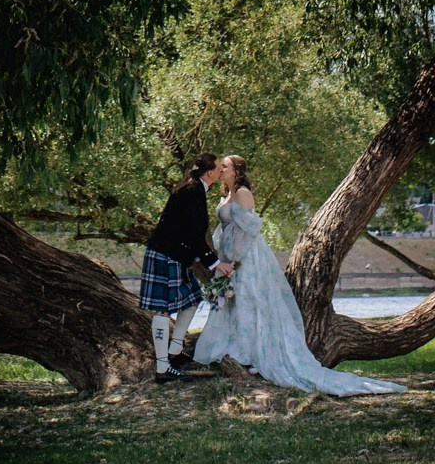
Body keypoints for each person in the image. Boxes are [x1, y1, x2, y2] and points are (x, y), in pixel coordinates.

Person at [191, 154, 403, 396]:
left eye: (225, 166)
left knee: (250, 302)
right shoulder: (228, 195)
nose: (220, 169)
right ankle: (235, 348)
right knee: (232, 303)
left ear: (236, 171)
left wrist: (235, 261)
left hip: (245, 257)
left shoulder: (242, 194)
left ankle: (250, 353)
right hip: (229, 257)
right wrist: (223, 259)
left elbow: (247, 231)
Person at [139, 153, 227, 382]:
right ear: (210, 172)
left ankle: (174, 353)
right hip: (166, 255)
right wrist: (215, 262)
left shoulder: (195, 189)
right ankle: (162, 369)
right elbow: (193, 233)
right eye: (219, 168)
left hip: (174, 255)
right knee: (162, 311)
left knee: (192, 300)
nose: (221, 171)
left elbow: (191, 232)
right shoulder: (192, 191)